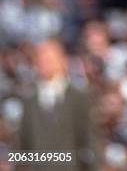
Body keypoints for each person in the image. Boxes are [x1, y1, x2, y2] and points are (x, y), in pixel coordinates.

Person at [18, 39, 98, 171]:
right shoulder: (29, 101)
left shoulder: (80, 97)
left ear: (63, 60)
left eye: (50, 58)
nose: (45, 63)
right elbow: (23, 146)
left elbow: (90, 140)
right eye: (41, 59)